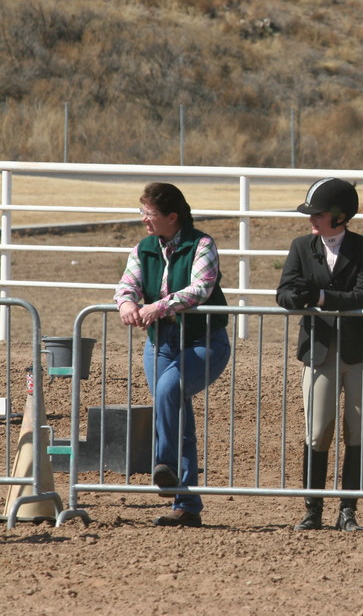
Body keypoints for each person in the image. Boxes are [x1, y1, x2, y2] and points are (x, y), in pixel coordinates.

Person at [114, 182, 231, 528]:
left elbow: (201, 288)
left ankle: (162, 465)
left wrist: (158, 307)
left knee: (167, 392)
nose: (144, 221)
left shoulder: (202, 245)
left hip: (203, 341)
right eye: (142, 213)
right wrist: (126, 303)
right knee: (177, 415)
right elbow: (128, 283)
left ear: (172, 217)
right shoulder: (143, 248)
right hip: (160, 343)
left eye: (149, 215)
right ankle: (187, 505)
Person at [276, 178, 363, 532]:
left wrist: (319, 297)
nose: (312, 221)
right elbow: (285, 290)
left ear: (340, 216)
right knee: (318, 430)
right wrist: (294, 299)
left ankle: (348, 510)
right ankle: (313, 508)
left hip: (362, 353)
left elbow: (362, 295)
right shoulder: (301, 246)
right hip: (319, 351)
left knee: (356, 431)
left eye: (318, 214)